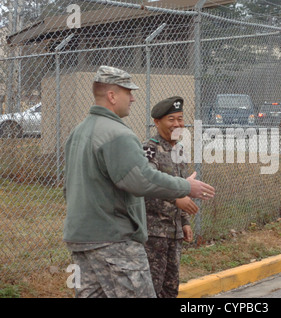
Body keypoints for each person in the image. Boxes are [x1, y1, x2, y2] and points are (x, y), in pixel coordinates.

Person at [63, 66, 215, 298]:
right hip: (114, 241)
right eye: (128, 92)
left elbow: (68, 187)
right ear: (112, 96)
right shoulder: (118, 134)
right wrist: (186, 187)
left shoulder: (79, 132)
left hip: (82, 239)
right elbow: (141, 180)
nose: (133, 98)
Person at [143, 96, 197, 298]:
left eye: (180, 119)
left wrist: (185, 221)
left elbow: (183, 187)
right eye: (171, 119)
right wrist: (175, 199)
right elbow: (147, 184)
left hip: (174, 233)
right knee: (151, 288)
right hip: (154, 233)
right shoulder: (149, 149)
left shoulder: (179, 150)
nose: (177, 124)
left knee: (170, 288)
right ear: (158, 122)